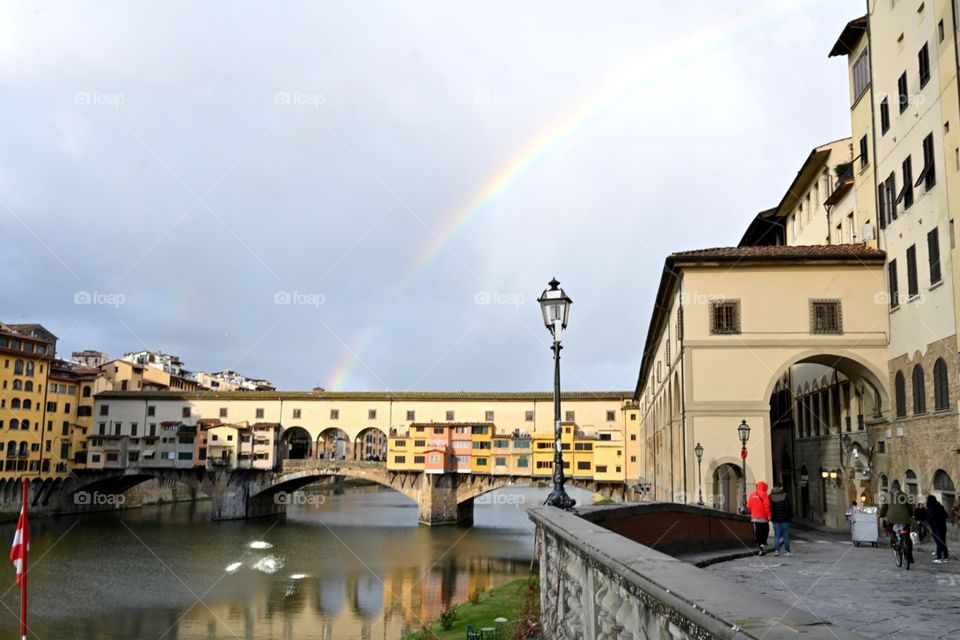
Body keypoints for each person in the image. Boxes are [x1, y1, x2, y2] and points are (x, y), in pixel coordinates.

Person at [878, 480, 914, 547]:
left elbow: (884, 508)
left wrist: (881, 515)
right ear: (899, 487)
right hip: (904, 518)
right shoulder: (904, 495)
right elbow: (909, 507)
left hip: (892, 518)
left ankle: (894, 544)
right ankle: (909, 549)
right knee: (906, 533)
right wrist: (911, 514)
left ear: (891, 487)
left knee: (892, 532)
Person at [746, 481, 772, 555]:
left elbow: (748, 505)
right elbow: (767, 506)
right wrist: (769, 515)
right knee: (765, 530)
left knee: (758, 530)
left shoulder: (752, 494)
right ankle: (762, 544)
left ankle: (760, 544)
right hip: (763, 516)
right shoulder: (764, 494)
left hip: (755, 516)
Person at [769, 485, 793, 557]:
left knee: (777, 535)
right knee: (786, 535)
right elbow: (788, 508)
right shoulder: (785, 496)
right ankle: (787, 551)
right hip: (785, 519)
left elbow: (770, 508)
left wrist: (771, 517)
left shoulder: (770, 497)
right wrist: (790, 516)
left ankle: (776, 551)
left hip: (775, 519)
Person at [925, 495, 950, 563]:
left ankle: (939, 557)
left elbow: (931, 518)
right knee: (943, 541)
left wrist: (928, 522)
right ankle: (946, 557)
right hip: (943, 526)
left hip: (936, 527)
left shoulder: (930, 508)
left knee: (939, 542)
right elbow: (946, 515)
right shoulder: (940, 506)